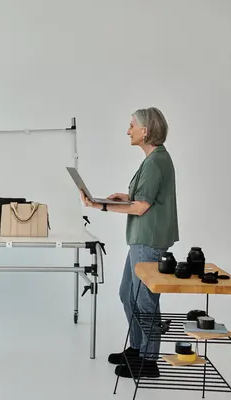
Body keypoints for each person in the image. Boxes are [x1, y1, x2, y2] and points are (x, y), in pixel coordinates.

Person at [80, 107, 178, 378]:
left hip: (149, 241)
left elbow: (142, 207)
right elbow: (145, 199)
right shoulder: (153, 160)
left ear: (145, 130)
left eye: (132, 125)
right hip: (142, 240)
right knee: (128, 293)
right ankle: (137, 349)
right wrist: (124, 197)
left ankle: (148, 361)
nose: (128, 130)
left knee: (144, 300)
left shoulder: (157, 161)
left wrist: (102, 206)